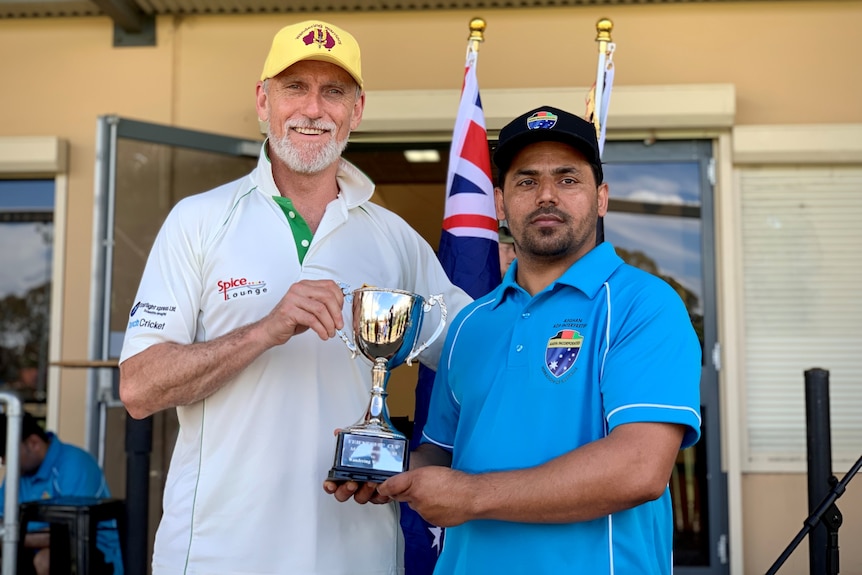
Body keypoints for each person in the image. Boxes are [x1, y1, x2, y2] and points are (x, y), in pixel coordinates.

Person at [117, 19, 470, 575]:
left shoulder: (394, 237)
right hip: (218, 552)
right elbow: (139, 387)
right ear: (263, 101)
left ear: (357, 110)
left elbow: (470, 352)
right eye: (294, 88)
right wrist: (266, 328)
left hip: (359, 552)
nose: (313, 109)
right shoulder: (200, 221)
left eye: (333, 92)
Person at [376, 106, 702, 574]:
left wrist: (470, 496)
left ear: (601, 197)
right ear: (500, 203)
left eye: (568, 179)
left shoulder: (644, 304)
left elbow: (639, 469)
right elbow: (440, 451)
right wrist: (382, 467)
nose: (547, 195)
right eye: (526, 181)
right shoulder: (471, 322)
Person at [0, 411, 123, 575]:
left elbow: (68, 535)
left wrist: (11, 537)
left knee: (48, 560)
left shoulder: (75, 464)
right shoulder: (19, 473)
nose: (4, 462)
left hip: (91, 550)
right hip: (31, 547)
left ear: (33, 443)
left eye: (6, 454)